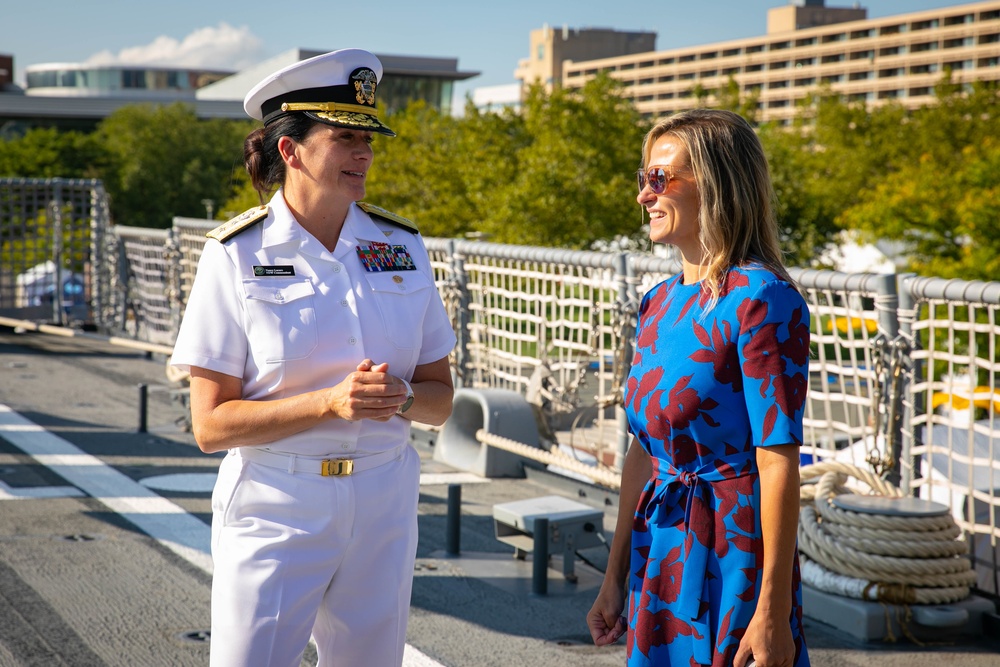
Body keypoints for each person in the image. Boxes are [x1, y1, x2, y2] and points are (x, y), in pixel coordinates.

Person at [169, 48, 457, 667]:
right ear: (289, 150)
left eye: (369, 140)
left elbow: (439, 399)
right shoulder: (235, 256)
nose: (364, 154)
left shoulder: (402, 248)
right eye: (345, 137)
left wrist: (403, 397)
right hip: (276, 505)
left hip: (384, 501)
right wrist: (328, 402)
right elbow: (210, 425)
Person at [586, 109, 810, 667]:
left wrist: (772, 612)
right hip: (659, 545)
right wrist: (613, 576)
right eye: (644, 178)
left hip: (733, 550)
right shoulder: (657, 302)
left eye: (661, 179)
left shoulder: (762, 299)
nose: (645, 195)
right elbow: (645, 449)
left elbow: (777, 457)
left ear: (717, 183)